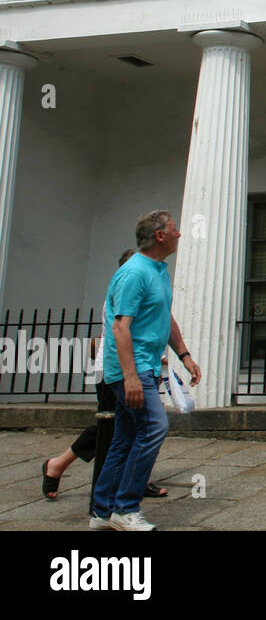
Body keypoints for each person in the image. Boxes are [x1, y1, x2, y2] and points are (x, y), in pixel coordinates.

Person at [89, 211, 201, 531]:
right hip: (131, 369)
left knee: (125, 439)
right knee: (154, 427)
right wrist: (130, 378)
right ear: (160, 236)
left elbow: (165, 317)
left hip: (147, 366)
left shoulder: (158, 271)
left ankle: (100, 513)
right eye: (174, 230)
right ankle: (125, 507)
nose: (179, 235)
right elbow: (120, 327)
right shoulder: (134, 273)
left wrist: (185, 356)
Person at [42, 249, 169, 505]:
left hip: (134, 368)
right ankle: (63, 469)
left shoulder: (138, 289)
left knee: (127, 429)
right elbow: (121, 331)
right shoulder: (125, 290)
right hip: (117, 370)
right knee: (114, 430)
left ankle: (123, 485)